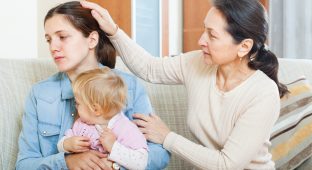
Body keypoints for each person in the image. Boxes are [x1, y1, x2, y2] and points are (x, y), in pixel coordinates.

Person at [81, 0, 289, 169]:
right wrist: (113, 30)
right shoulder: (198, 62)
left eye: (212, 35)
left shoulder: (263, 93)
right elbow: (149, 69)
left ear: (244, 46)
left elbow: (227, 164)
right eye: (204, 30)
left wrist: (167, 137)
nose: (201, 40)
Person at [16, 1, 169, 170]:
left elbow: (159, 154)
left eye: (62, 37)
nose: (53, 47)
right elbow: (24, 164)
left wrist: (115, 164)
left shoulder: (129, 86)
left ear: (92, 39)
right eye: (48, 40)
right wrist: (66, 162)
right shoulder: (39, 94)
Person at [57, 67, 148, 170]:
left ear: (95, 109)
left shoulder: (125, 128)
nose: (75, 107)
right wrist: (67, 144)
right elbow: (61, 145)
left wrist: (113, 146)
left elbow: (141, 162)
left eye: (78, 103)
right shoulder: (81, 124)